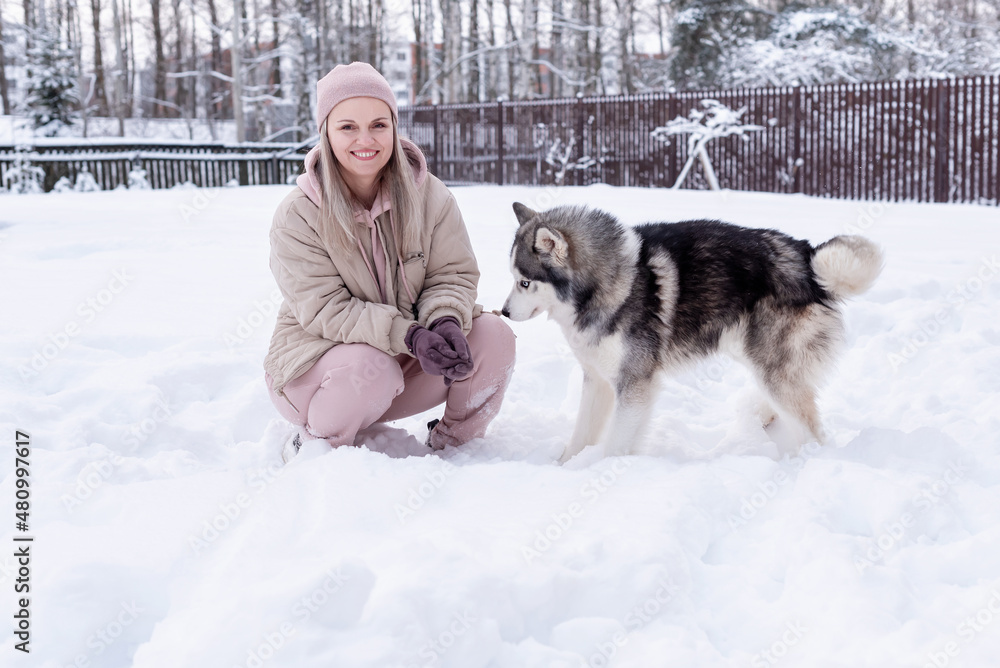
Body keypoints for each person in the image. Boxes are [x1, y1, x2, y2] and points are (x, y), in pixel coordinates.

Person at [263, 62, 516, 461]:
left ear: (395, 127)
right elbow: (327, 309)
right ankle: (314, 446)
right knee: (372, 367)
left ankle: (455, 449)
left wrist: (444, 320)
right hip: (319, 378)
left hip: (402, 368)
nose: (366, 139)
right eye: (347, 127)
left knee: (492, 336)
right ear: (325, 131)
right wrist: (411, 335)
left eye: (379, 124)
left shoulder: (430, 196)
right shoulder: (298, 214)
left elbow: (452, 273)